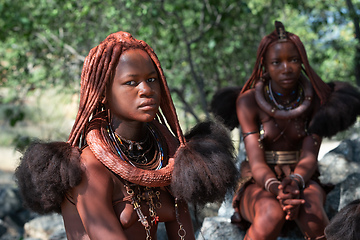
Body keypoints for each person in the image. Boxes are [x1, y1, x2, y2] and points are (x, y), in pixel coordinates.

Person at [15, 31, 237, 240]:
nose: (146, 90)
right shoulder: (90, 167)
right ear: (103, 94)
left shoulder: (167, 158)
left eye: (151, 79)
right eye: (131, 82)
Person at [211, 21, 360, 240]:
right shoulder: (248, 102)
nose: (286, 68)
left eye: (293, 60)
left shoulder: (318, 100)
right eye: (276, 62)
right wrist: (276, 188)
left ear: (302, 62)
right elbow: (256, 161)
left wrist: (296, 182)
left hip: (303, 177)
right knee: (270, 213)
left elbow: (310, 156)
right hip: (258, 179)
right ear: (264, 65)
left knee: (312, 214)